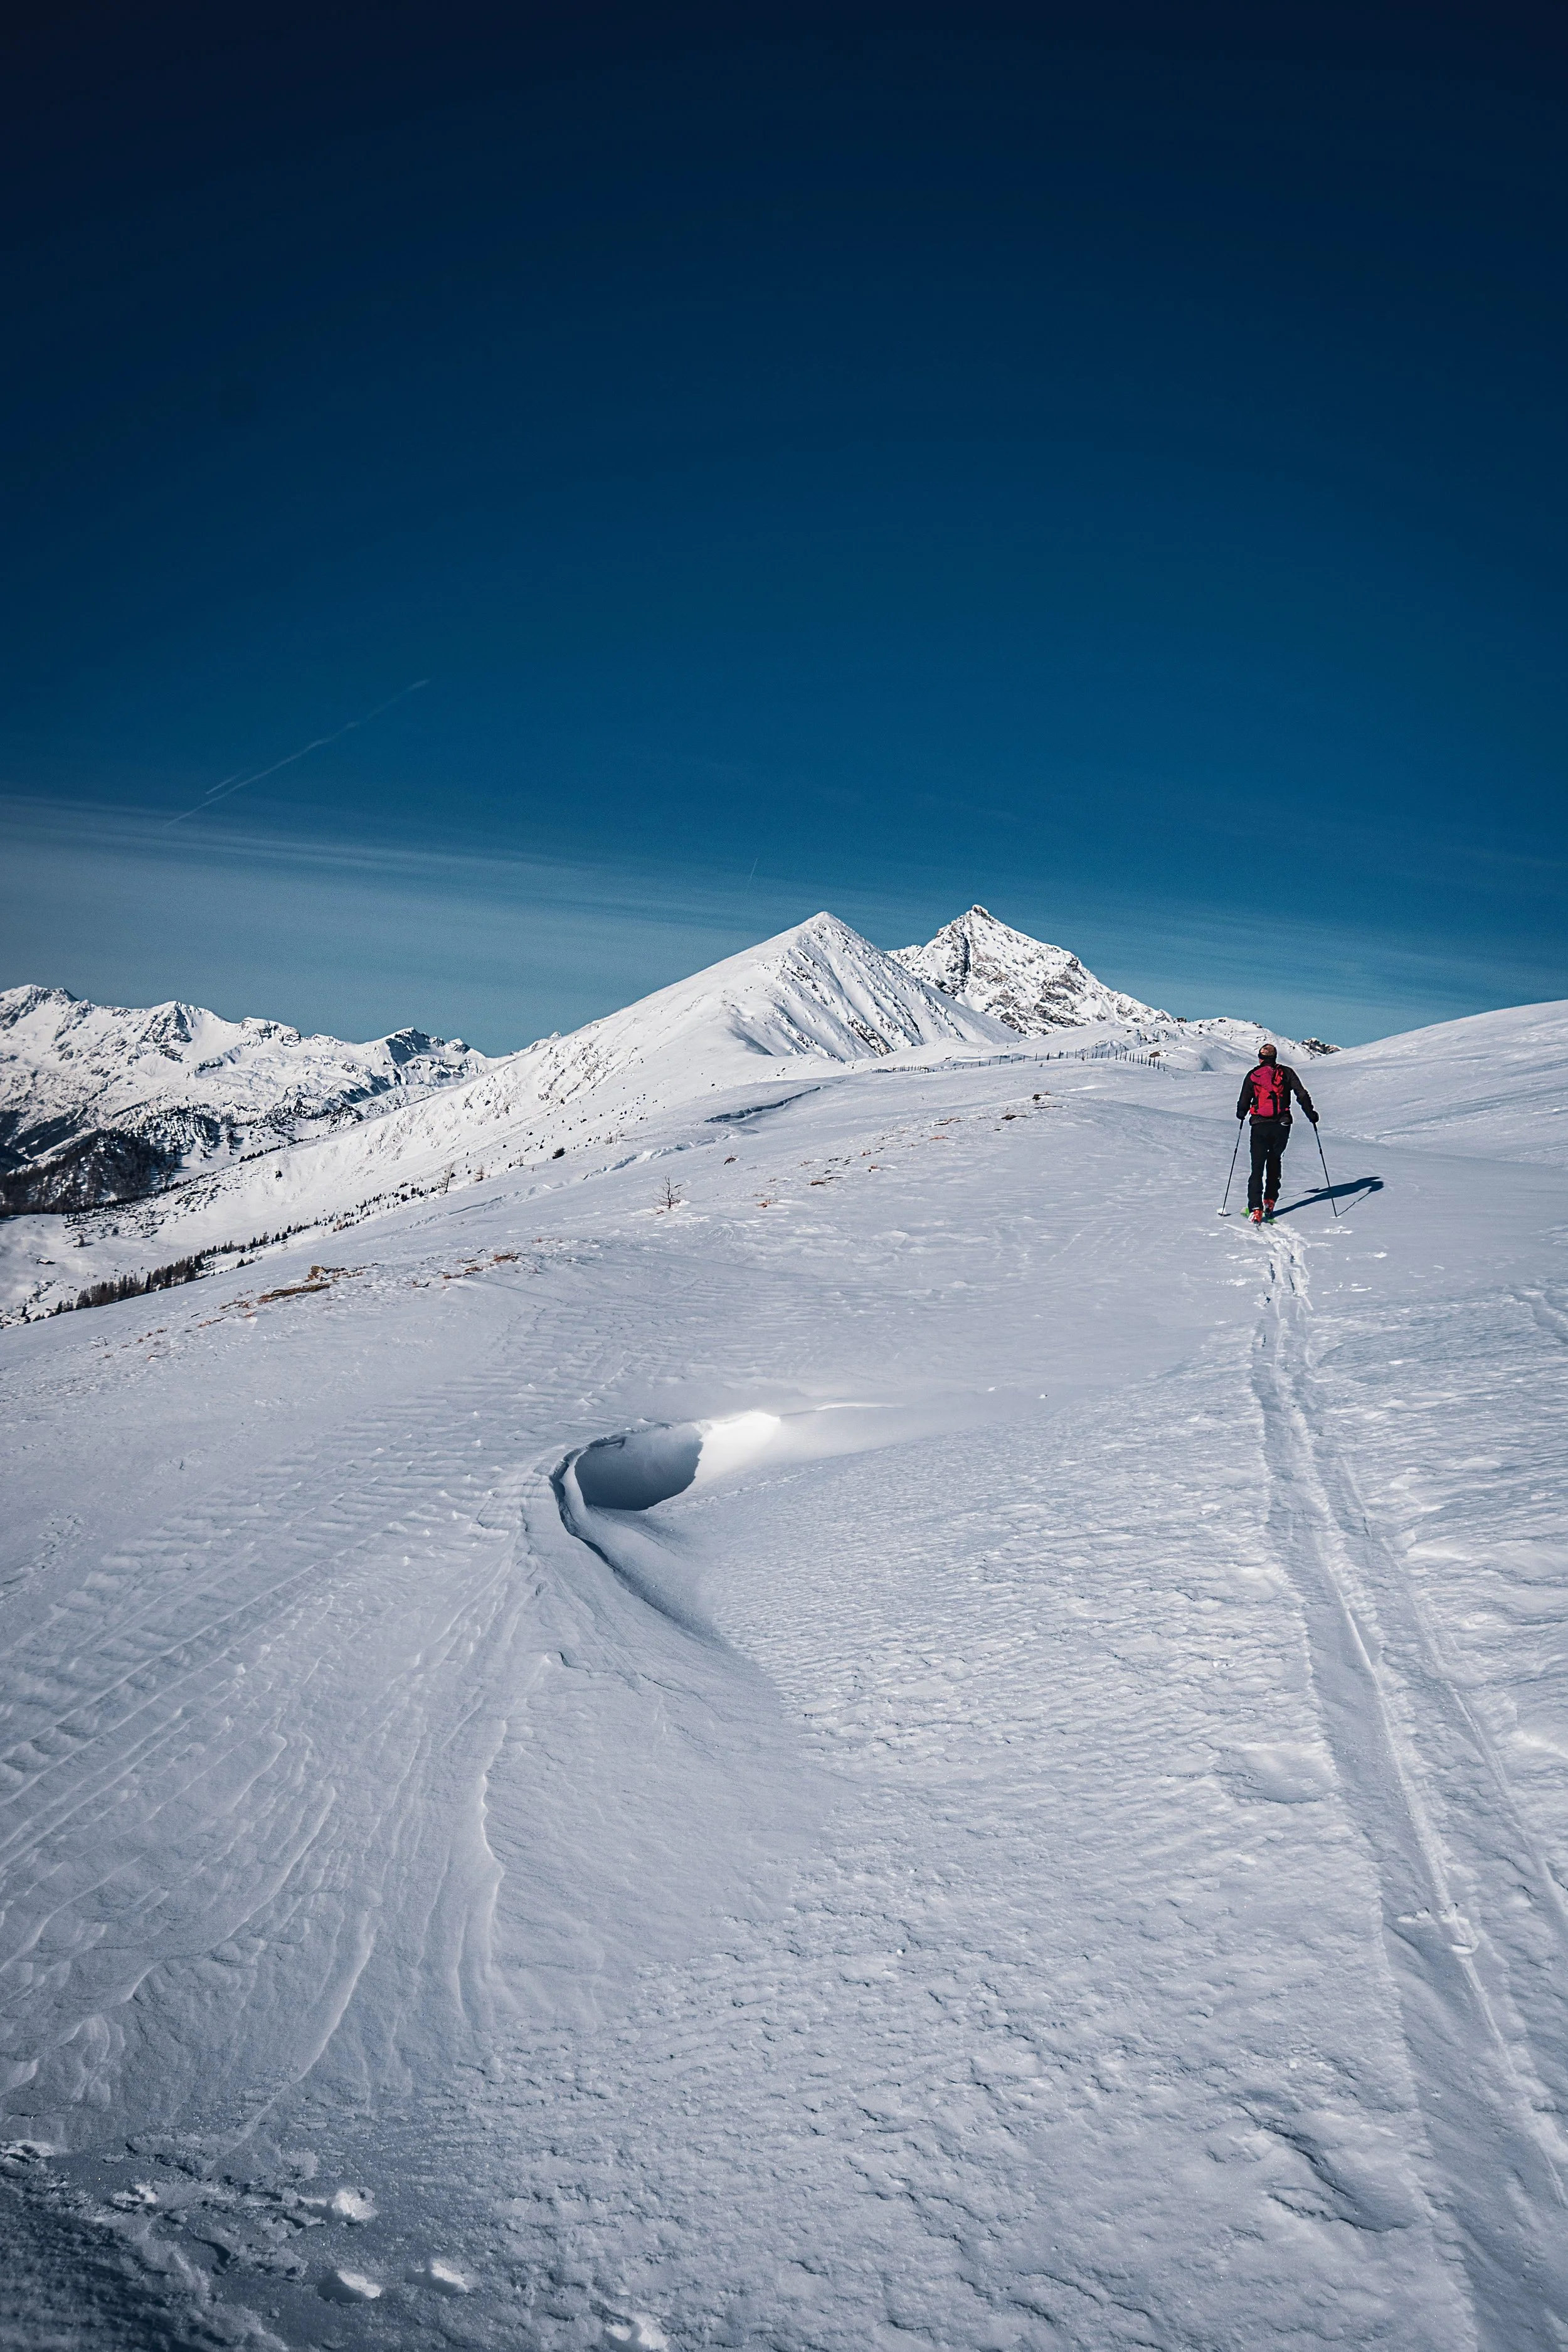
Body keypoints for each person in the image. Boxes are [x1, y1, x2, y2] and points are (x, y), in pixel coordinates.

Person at [1236, 1042, 1317, 1222]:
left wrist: (1241, 1114)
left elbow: (1243, 1101)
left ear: (1260, 1058)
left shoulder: (1253, 1075)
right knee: (1274, 1160)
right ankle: (1270, 1200)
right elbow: (1301, 1094)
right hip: (1282, 1124)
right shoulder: (1286, 1073)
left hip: (1259, 1125)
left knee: (1257, 1167)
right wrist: (1311, 1115)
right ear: (1275, 1058)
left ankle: (1255, 1208)